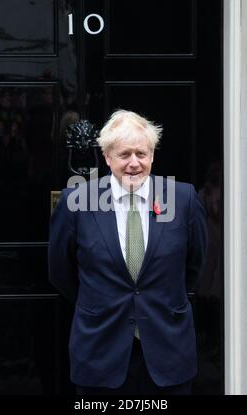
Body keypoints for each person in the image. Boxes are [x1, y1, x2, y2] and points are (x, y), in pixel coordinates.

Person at [48, 109, 208, 395]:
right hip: (100, 353)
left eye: (141, 154)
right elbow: (61, 271)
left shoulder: (182, 198)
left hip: (167, 352)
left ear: (152, 156)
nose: (134, 163)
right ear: (107, 157)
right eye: (124, 155)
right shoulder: (77, 202)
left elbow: (194, 265)